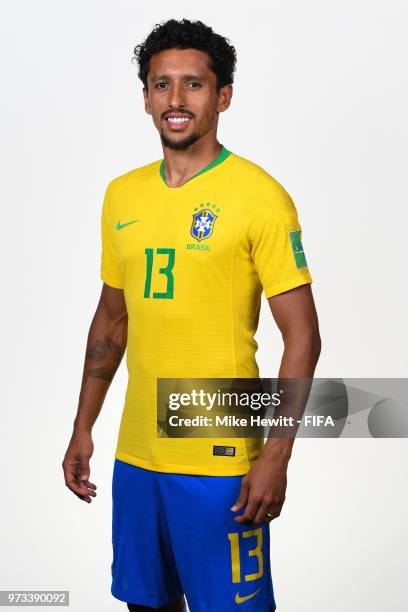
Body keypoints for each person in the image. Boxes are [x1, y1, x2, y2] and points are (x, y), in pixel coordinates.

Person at [62, 18, 321, 612]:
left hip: (219, 456)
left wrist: (275, 459)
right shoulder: (121, 195)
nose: (175, 100)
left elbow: (303, 337)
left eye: (193, 85)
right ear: (147, 97)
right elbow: (111, 319)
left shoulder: (260, 196)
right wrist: (84, 426)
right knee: (145, 604)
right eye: (161, 85)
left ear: (223, 96)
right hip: (136, 456)